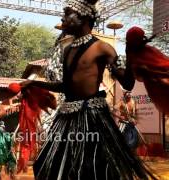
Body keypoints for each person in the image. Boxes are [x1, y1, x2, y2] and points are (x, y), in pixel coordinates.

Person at [19, 0, 156, 179]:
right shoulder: (67, 50)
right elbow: (65, 86)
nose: (63, 17)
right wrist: (35, 83)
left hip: (93, 117)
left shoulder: (103, 48)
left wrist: (130, 52)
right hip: (66, 118)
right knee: (46, 163)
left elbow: (128, 83)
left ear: (83, 17)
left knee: (95, 168)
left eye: (68, 13)